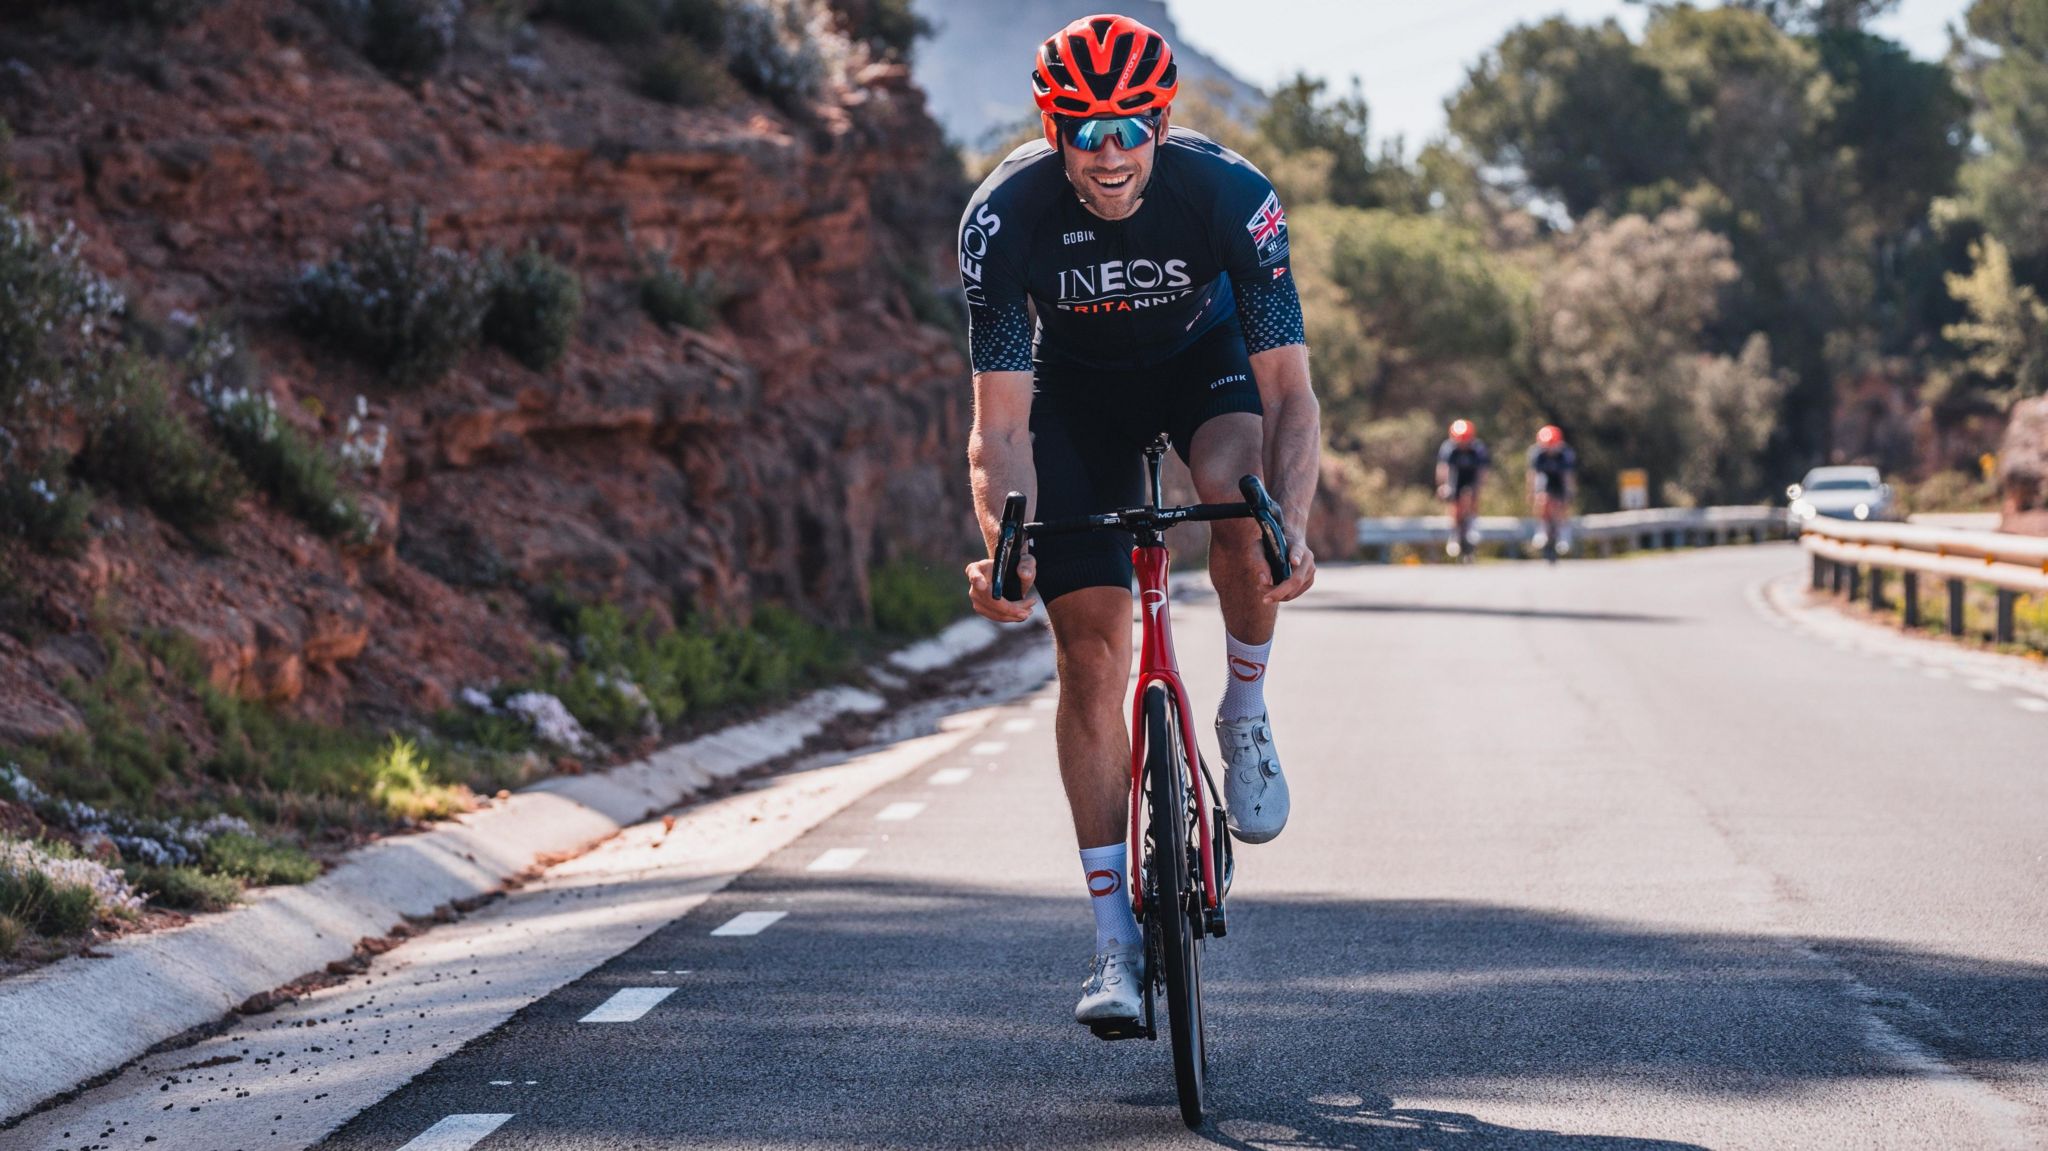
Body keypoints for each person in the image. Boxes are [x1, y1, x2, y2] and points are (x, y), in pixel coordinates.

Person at [957, 14, 1319, 1030]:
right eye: (1084, 131)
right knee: (1089, 651)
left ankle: (1241, 712)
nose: (1108, 154)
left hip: (1199, 371)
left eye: (1129, 129)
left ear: (1159, 123)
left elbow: (1287, 393)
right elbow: (998, 423)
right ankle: (1112, 942)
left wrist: (1288, 519)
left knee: (1240, 505)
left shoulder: (1233, 199)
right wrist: (1004, 542)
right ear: (1052, 126)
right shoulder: (1003, 218)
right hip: (1073, 401)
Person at [1435, 419, 1489, 558]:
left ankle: (1472, 525)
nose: (1463, 444)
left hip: (1471, 476)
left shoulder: (1477, 448)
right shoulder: (1449, 448)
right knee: (1454, 502)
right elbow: (1443, 469)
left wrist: (1479, 487)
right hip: (1455, 477)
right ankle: (1454, 534)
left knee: (1472, 495)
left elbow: (1482, 472)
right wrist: (1443, 486)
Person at [1526, 424, 1577, 556]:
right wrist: (1532, 492)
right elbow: (1533, 475)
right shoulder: (1537, 453)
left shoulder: (1565, 454)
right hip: (1545, 480)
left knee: (1562, 503)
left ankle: (1564, 534)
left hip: (1560, 480)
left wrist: (1569, 493)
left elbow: (1567, 477)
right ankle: (1541, 529)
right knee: (1541, 500)